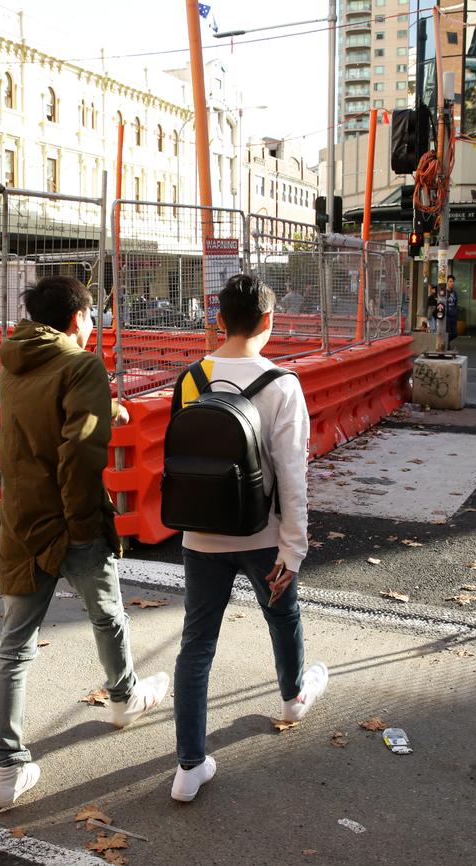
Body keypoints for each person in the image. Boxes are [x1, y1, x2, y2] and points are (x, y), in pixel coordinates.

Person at [0, 276, 169, 809]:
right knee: (107, 614)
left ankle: (7, 767)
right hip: (70, 523)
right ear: (76, 320)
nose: (94, 324)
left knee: (15, 645)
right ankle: (123, 699)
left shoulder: (16, 360)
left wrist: (105, 409)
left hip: (22, 522)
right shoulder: (82, 365)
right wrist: (82, 524)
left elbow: (45, 421)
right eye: (92, 315)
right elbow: (78, 454)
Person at [171, 274, 328, 803]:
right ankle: (291, 698)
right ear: (268, 322)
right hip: (262, 535)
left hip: (201, 536)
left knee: (196, 645)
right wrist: (294, 548)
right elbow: (292, 474)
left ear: (218, 319)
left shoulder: (191, 379)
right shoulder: (282, 383)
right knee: (282, 616)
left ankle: (189, 766)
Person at [446, 275, 458, 346]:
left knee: (455, 333)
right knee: (448, 332)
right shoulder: (444, 293)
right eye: (450, 281)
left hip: (453, 315)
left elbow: (456, 303)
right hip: (447, 316)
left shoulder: (454, 293)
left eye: (453, 282)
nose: (452, 283)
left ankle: (446, 342)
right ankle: (446, 345)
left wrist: (455, 312)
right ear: (447, 282)